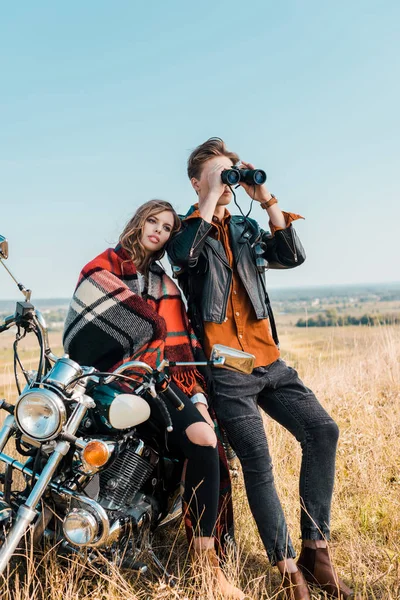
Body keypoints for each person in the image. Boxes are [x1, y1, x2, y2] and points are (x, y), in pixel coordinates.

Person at [167, 138, 358, 600]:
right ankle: (288, 566)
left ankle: (317, 551)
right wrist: (210, 197)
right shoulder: (185, 231)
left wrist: (265, 199)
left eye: (232, 172)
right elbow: (184, 258)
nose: (229, 180)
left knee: (322, 431)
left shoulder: (245, 230)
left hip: (269, 360)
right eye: (218, 173)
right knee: (259, 462)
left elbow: (291, 254)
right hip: (227, 371)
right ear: (196, 183)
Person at [63, 199, 246, 599]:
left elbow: (179, 355)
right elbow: (84, 325)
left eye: (166, 228)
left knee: (205, 439)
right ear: (138, 222)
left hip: (154, 385)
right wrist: (150, 324)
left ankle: (206, 567)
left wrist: (195, 395)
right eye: (153, 222)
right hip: (103, 383)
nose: (158, 231)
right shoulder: (103, 268)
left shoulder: (165, 286)